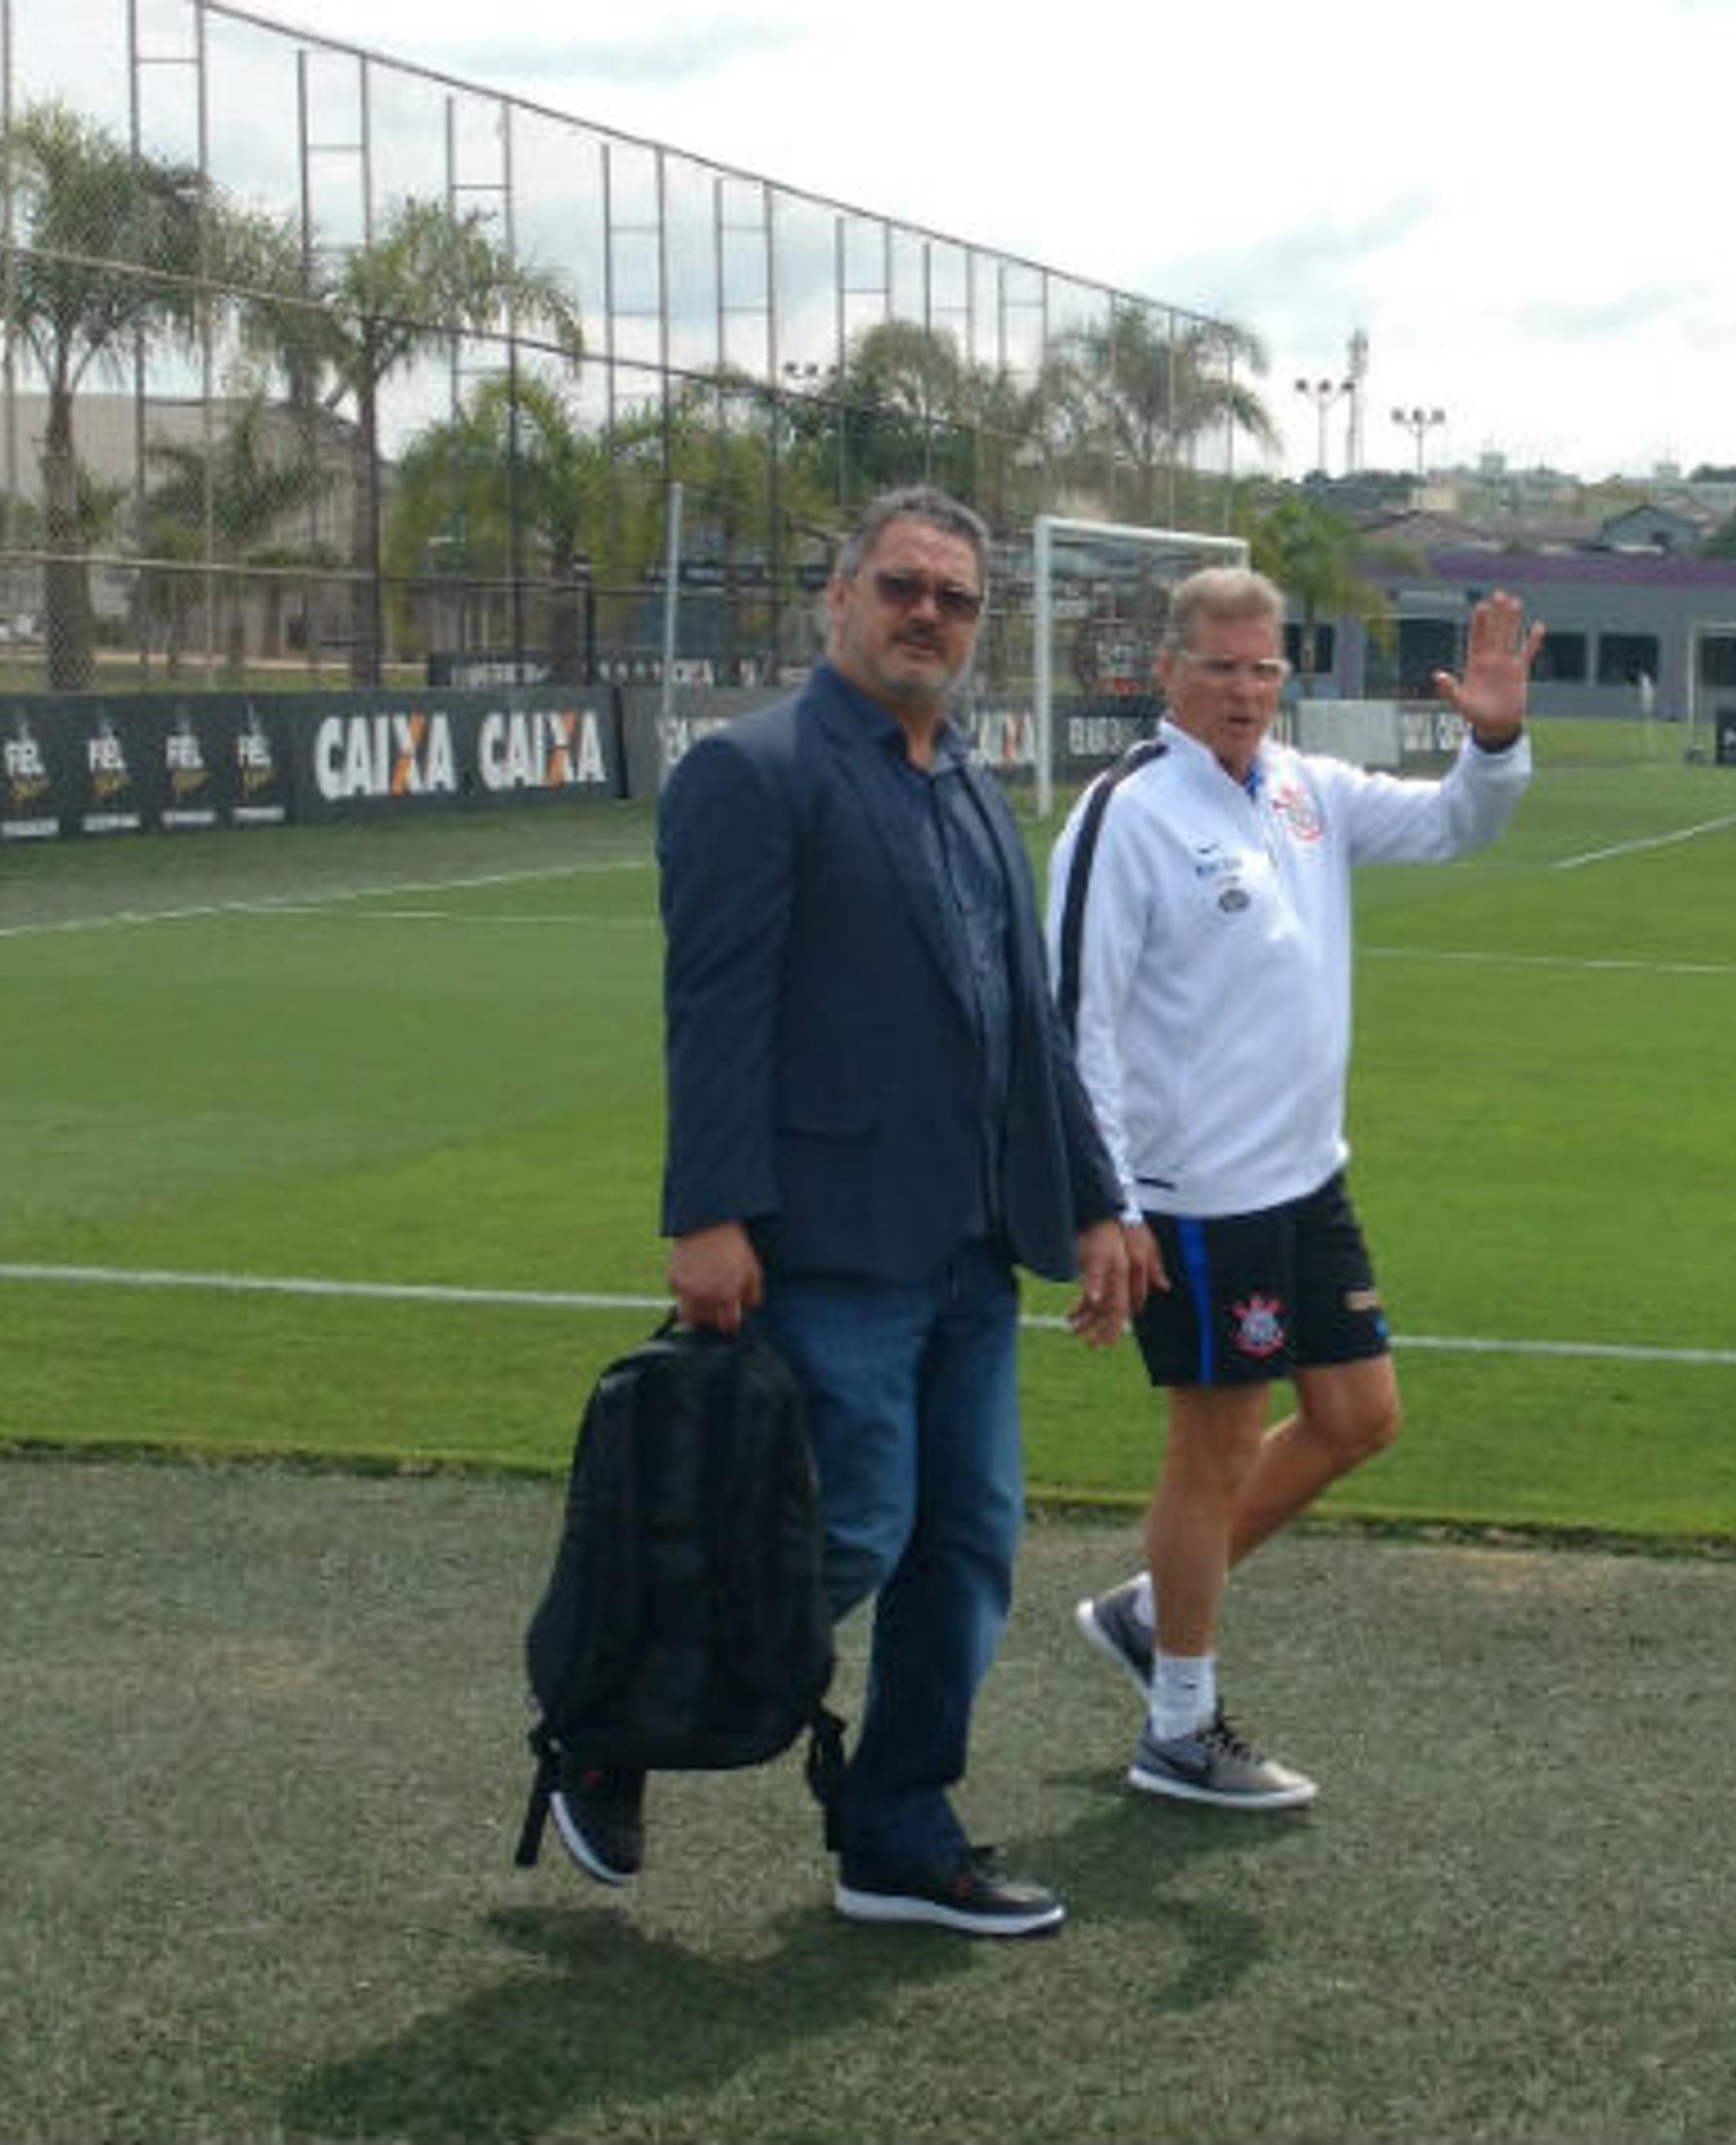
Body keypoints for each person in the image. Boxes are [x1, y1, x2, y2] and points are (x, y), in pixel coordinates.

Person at [558, 484, 1139, 1938]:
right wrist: (709, 1215)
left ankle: (897, 1831)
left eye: (954, 595)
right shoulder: (756, 774)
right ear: (840, 600)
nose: (927, 612)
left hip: (965, 1253)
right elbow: (717, 1014)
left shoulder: (974, 793)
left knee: (970, 1544)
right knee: (854, 1531)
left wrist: (1095, 1203)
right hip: (822, 1243)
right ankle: (609, 1721)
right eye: (902, 585)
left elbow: (1028, 1034)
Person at [1044, 565, 1536, 1810]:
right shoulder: (1128, 815)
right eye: (1220, 666)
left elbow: (1452, 826)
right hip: (1196, 1199)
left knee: (1360, 1417)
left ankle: (1154, 1611)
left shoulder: (1302, 789)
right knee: (1206, 1453)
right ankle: (1180, 1726)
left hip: (1307, 1179)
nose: (1246, 690)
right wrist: (1109, 1207)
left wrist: (1494, 739)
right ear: (1167, 673)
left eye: (1265, 667)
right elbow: (1076, 1023)